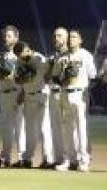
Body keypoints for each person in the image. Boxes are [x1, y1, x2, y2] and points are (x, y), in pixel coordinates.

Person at [55, 29, 97, 172]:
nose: (71, 39)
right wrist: (62, 76)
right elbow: (56, 77)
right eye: (70, 37)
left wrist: (79, 73)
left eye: (74, 37)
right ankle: (69, 160)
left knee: (81, 128)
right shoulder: (62, 57)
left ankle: (84, 160)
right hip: (65, 93)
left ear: (80, 40)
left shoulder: (85, 55)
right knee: (67, 129)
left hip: (80, 94)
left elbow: (93, 74)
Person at [12, 41, 54, 168]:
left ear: (28, 49)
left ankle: (48, 159)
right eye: (18, 54)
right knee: (29, 130)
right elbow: (18, 79)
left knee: (44, 129)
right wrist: (21, 90)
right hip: (28, 96)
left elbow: (47, 79)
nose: (20, 56)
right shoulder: (19, 61)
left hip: (41, 95)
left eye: (21, 53)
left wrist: (50, 67)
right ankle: (27, 159)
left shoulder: (39, 58)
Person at [0, 25, 26, 167]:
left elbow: (26, 76)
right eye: (5, 36)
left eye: (9, 35)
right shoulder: (1, 56)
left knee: (19, 127)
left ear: (16, 38)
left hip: (16, 92)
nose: (6, 38)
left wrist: (23, 92)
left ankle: (22, 158)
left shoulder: (22, 54)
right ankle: (5, 158)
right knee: (6, 127)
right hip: (4, 93)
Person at [46, 27, 69, 167]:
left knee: (66, 128)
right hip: (52, 93)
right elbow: (45, 78)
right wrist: (50, 67)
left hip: (64, 93)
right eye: (55, 36)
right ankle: (58, 158)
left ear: (65, 38)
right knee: (54, 128)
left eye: (59, 36)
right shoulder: (52, 56)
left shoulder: (69, 55)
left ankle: (68, 159)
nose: (56, 38)